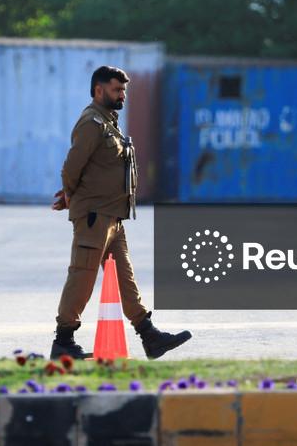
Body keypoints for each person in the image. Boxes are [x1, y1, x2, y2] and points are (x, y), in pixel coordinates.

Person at [50, 65, 192, 359]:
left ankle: (149, 336)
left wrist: (71, 196)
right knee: (83, 276)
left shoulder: (108, 123)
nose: (122, 95)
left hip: (113, 216)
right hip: (94, 216)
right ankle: (63, 340)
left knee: (125, 278)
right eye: (117, 89)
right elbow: (71, 168)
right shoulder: (92, 123)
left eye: (124, 90)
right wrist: (72, 196)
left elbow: (95, 169)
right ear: (99, 90)